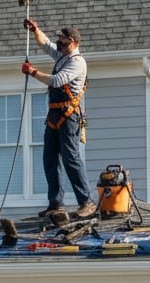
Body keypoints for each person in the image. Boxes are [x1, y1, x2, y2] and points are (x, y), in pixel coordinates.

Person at [21, 19, 95, 221]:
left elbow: (57, 80)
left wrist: (33, 72)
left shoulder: (77, 62)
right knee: (50, 158)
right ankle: (56, 204)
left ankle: (86, 202)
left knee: (71, 158)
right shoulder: (62, 57)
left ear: (71, 41)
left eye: (62, 39)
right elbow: (46, 45)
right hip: (55, 114)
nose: (58, 42)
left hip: (69, 115)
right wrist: (35, 30)